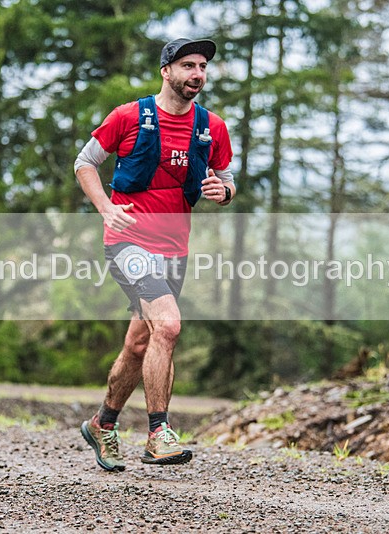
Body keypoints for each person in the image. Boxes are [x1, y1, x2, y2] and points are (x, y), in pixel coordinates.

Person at [74, 37, 235, 471]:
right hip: (127, 243)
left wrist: (226, 189)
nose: (197, 74)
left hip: (174, 249)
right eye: (188, 65)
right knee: (167, 324)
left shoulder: (212, 126)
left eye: (202, 66)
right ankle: (158, 432)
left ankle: (103, 423)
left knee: (140, 341)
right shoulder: (130, 115)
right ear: (166, 71)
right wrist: (106, 208)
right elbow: (84, 162)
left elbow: (225, 172)